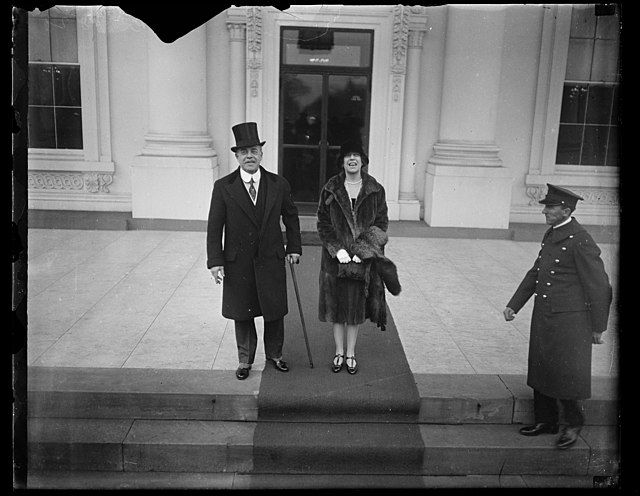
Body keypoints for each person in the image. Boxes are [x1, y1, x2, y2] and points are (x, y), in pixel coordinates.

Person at [503, 184, 612, 449]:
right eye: (546, 207)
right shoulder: (553, 234)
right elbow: (537, 272)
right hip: (546, 315)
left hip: (571, 321)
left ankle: (572, 425)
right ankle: (546, 421)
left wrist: (598, 326)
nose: (545, 212)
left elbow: (600, 286)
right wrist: (514, 304)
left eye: (550, 208)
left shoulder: (580, 239)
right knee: (541, 365)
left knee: (567, 373)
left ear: (566, 210)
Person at [207, 122, 302, 380]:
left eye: (254, 150)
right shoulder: (223, 187)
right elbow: (215, 227)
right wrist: (215, 261)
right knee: (243, 312)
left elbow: (291, 218)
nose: (249, 156)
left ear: (261, 153)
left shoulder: (278, 184)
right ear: (236, 156)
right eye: (243, 152)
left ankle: (276, 355)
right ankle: (245, 360)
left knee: (274, 310)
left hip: (271, 257)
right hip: (238, 262)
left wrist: (293, 247)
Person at [316, 141, 400, 375]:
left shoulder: (375, 189)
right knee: (335, 307)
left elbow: (381, 224)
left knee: (354, 308)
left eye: (356, 155)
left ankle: (351, 353)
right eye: (347, 156)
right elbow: (322, 222)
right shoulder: (330, 188)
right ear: (342, 162)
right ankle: (338, 352)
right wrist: (337, 249)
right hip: (335, 260)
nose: (352, 159)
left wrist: (363, 251)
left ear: (363, 160)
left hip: (361, 260)